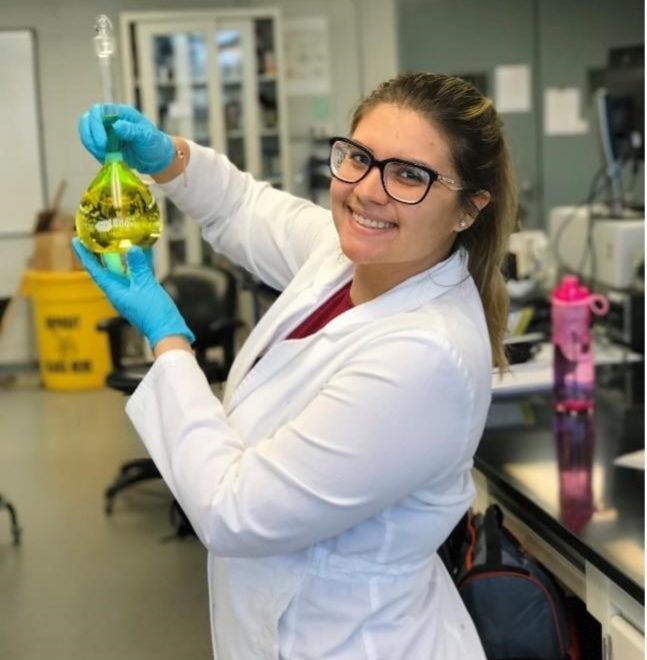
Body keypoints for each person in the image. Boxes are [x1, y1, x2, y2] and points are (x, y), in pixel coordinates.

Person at [74, 72, 517, 659]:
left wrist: (167, 337)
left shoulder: (424, 356)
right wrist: (167, 156)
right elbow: (242, 206)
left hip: (355, 641)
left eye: (410, 174)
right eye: (359, 157)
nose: (368, 190)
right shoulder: (351, 258)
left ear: (469, 209)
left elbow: (235, 511)